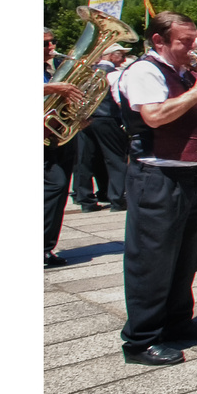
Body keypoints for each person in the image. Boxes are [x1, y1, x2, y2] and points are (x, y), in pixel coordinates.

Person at [116, 11, 197, 365]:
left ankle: (178, 322)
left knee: (184, 255)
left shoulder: (184, 72)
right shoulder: (145, 70)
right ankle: (140, 339)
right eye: (185, 42)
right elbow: (155, 116)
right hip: (156, 174)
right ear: (159, 41)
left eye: (194, 41)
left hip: (190, 170)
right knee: (153, 258)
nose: (193, 48)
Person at [43, 30, 88, 268]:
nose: (51, 46)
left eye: (53, 41)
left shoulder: (53, 69)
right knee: (56, 186)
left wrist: (78, 114)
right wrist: (53, 88)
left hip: (55, 137)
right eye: (45, 43)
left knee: (58, 191)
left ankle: (46, 246)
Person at [71, 43, 131, 212]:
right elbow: (119, 99)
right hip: (107, 118)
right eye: (120, 54)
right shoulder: (114, 74)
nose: (123, 58)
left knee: (85, 159)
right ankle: (117, 199)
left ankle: (84, 199)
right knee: (115, 159)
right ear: (111, 55)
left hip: (85, 119)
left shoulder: (86, 74)